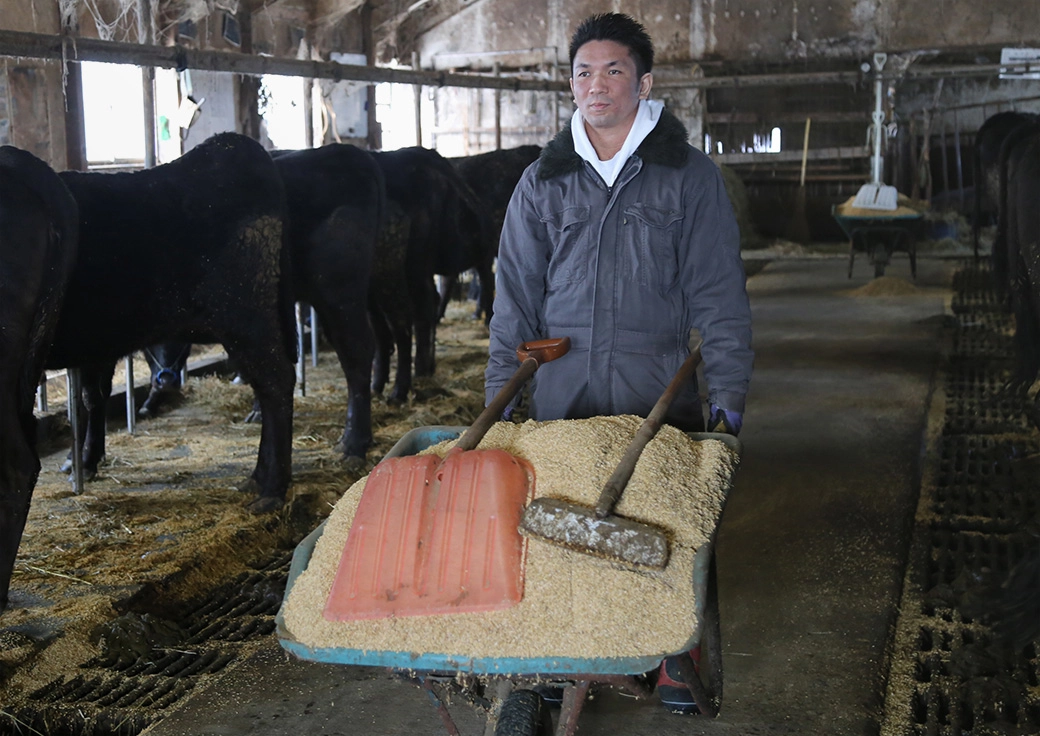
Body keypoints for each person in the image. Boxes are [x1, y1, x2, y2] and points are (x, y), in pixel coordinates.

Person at [484, 12, 753, 714]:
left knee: (666, 519)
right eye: (582, 72)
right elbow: (513, 296)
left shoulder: (688, 178)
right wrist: (500, 399)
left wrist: (726, 402)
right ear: (569, 84)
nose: (595, 86)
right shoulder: (544, 180)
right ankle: (560, 649)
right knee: (556, 519)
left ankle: (672, 652)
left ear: (643, 82)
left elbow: (720, 297)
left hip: (656, 381)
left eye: (612, 71)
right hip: (563, 388)